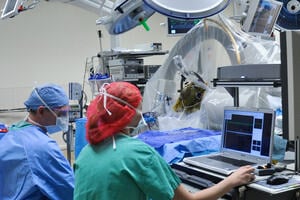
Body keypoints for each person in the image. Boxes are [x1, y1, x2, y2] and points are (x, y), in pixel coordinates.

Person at [74, 81, 255, 200]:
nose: (141, 113)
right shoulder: (138, 153)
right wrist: (231, 181)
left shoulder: (86, 153)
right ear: (128, 114)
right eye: (139, 108)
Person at [0, 83, 74, 200]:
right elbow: (70, 191)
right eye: (61, 114)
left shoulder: (12, 132)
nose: (65, 118)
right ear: (41, 111)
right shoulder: (41, 147)